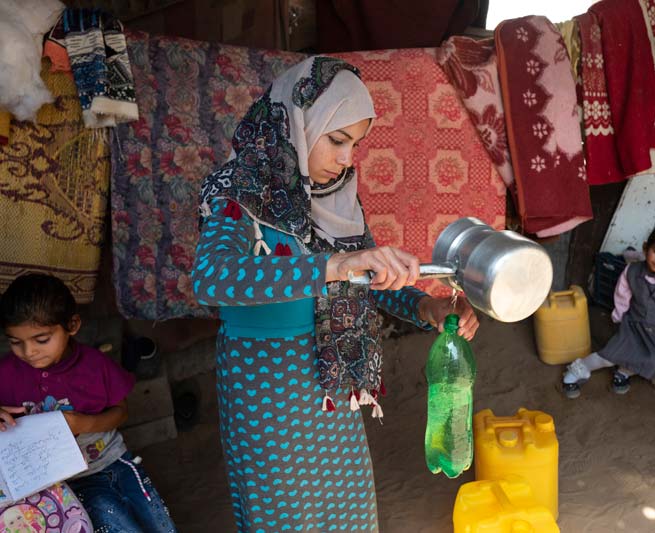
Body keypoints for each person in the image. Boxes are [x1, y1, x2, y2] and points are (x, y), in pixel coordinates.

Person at [191, 55, 480, 532]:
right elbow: (213, 278)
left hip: (330, 382)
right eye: (337, 139)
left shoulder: (333, 198)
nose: (347, 159)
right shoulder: (235, 192)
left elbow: (365, 281)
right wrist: (334, 263)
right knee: (286, 518)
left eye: (356, 144)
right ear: (301, 123)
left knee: (347, 512)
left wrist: (425, 304)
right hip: (266, 387)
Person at [0, 273, 177, 533]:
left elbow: (121, 412)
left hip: (109, 463)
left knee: (156, 523)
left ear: (72, 325)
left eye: (41, 340)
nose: (29, 352)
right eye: (16, 342)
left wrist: (84, 423)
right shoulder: (6, 374)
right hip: (51, 485)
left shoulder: (95, 366)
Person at [562, 224, 655, 398]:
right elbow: (622, 294)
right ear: (645, 248)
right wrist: (620, 317)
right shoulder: (632, 270)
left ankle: (623, 372)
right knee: (610, 355)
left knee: (652, 359)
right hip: (634, 324)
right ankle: (580, 369)